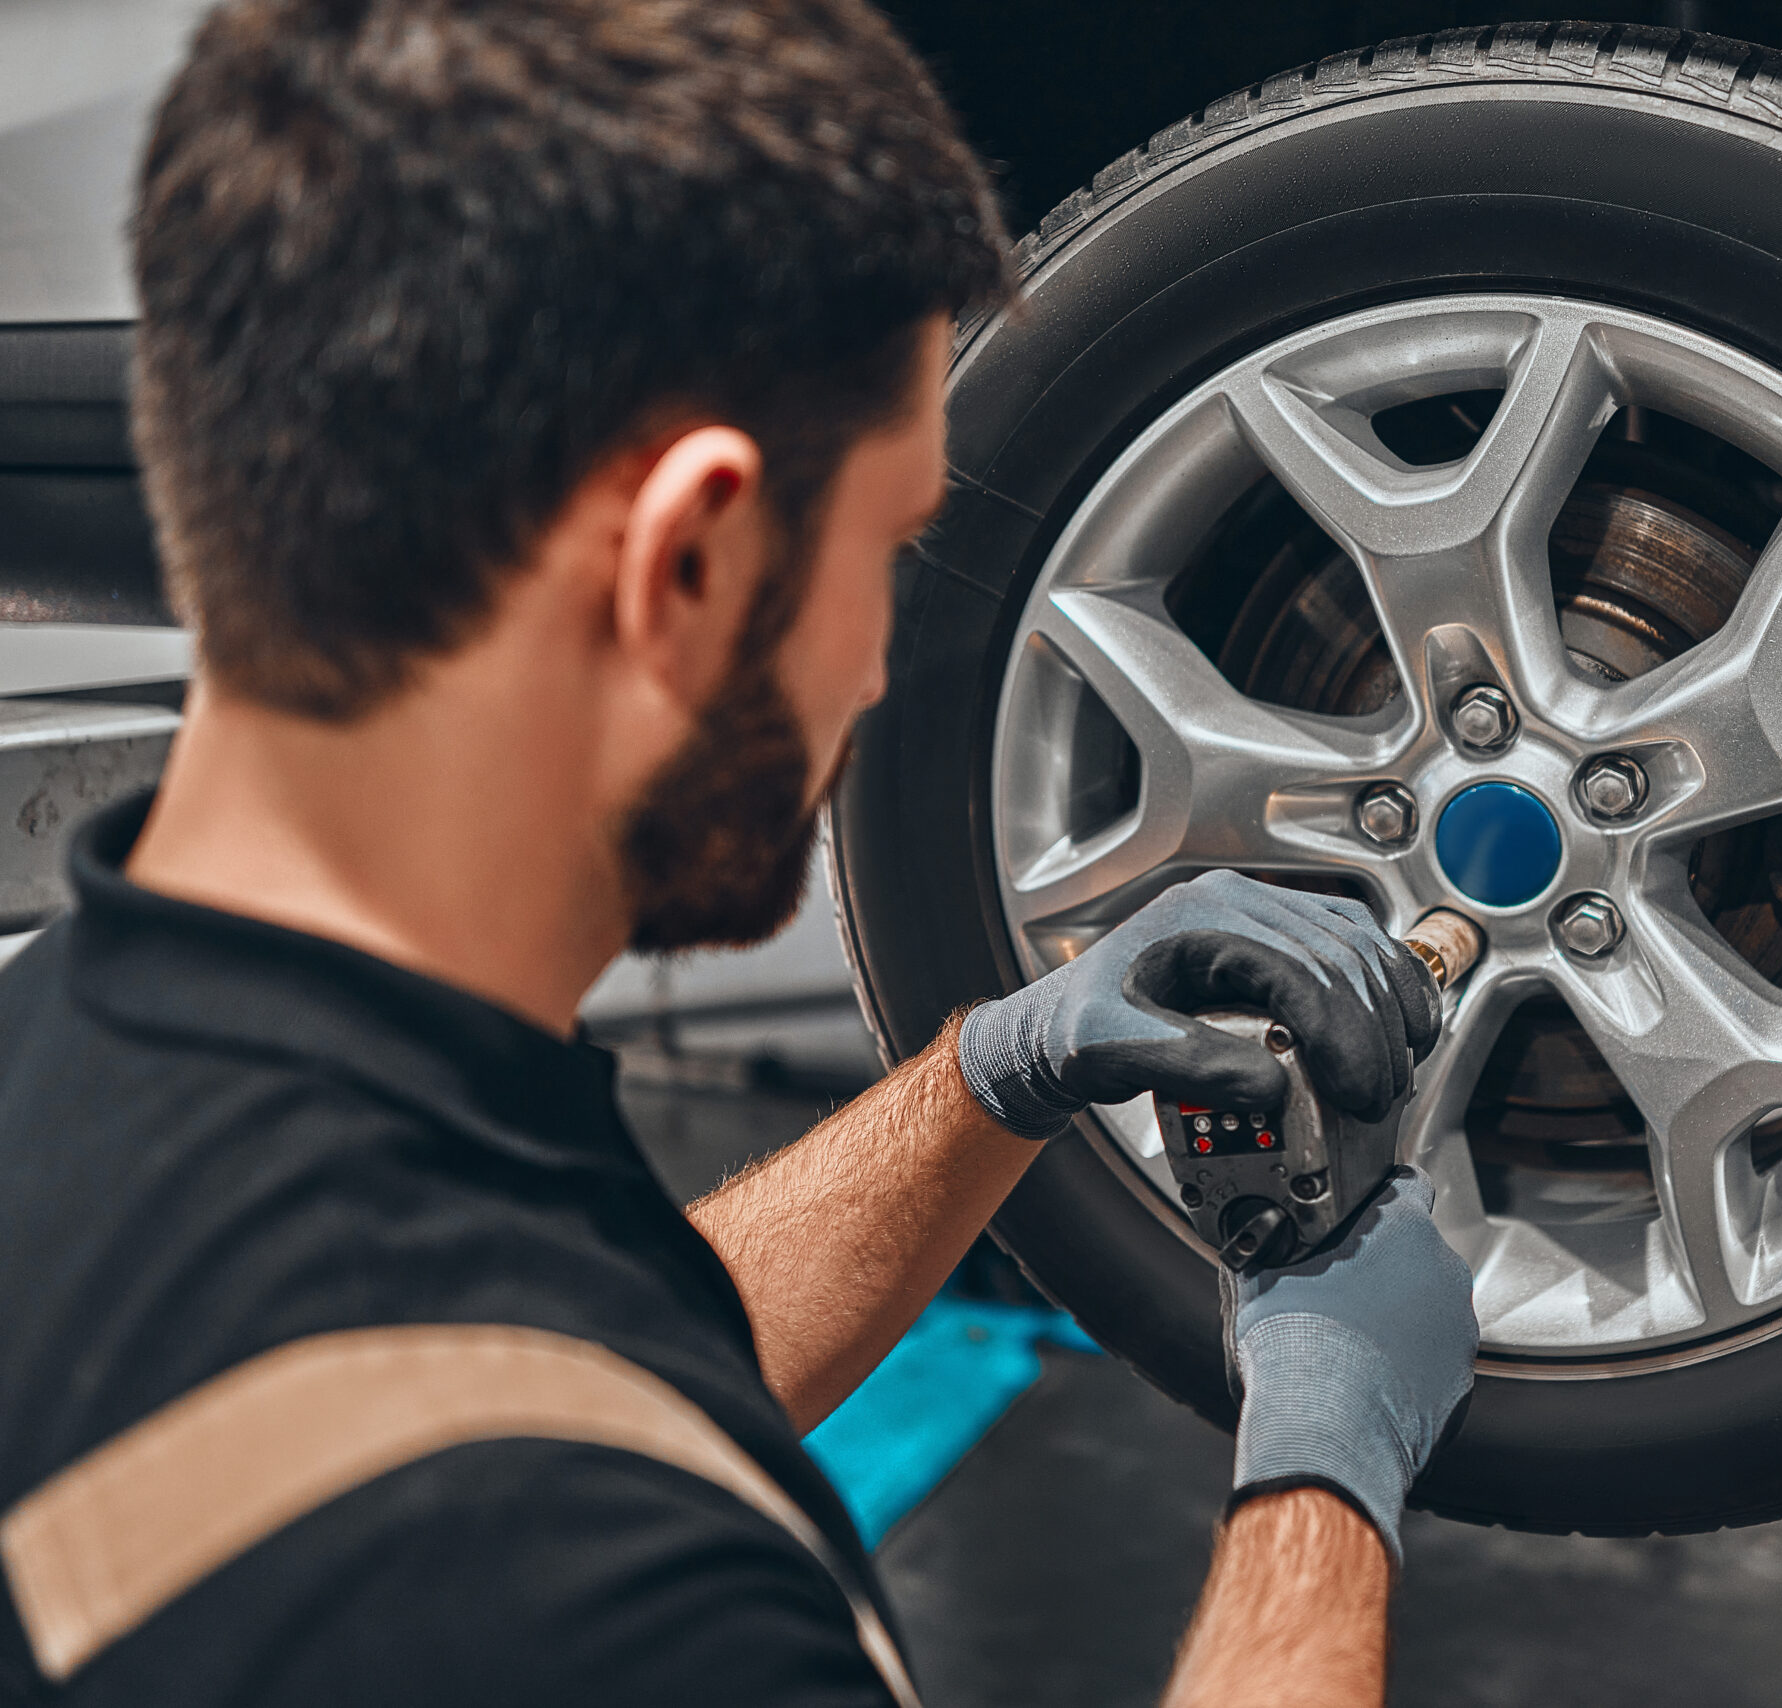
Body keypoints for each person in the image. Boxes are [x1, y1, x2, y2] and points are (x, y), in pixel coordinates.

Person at [0, 3, 1479, 1704]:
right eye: (887, 554)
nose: (871, 668)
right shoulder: (640, 1611)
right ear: (689, 560)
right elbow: (523, 1449)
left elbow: (525, 1362)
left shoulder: (83, 1058)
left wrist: (998, 1074)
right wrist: (1325, 1474)